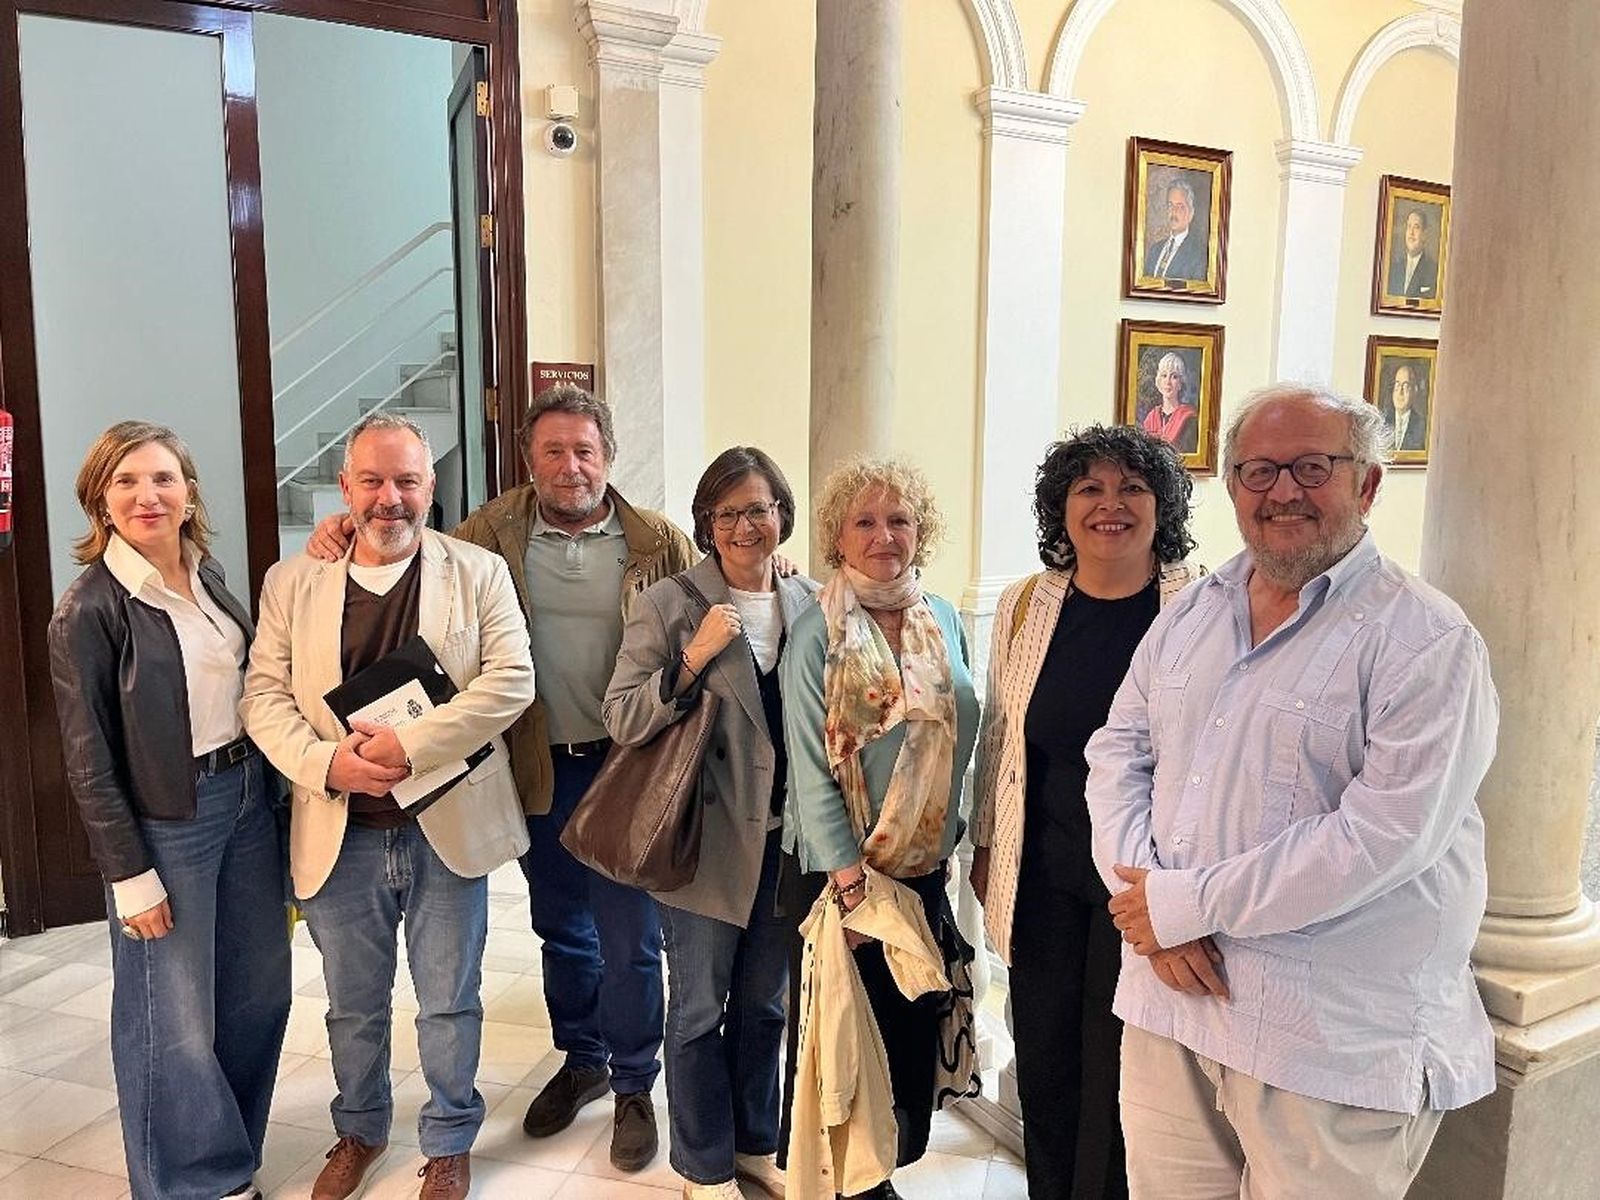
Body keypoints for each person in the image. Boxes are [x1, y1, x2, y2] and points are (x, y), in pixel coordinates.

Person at [1085, 385, 1499, 1197]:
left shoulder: (1426, 640)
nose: (1282, 492)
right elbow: (1118, 753)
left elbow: (1382, 835)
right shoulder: (1190, 612)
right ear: (1232, 486)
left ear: (1369, 484)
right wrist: (1152, 907)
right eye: (1258, 471)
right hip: (1172, 1005)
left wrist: (1183, 905)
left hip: (1326, 1042)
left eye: (1313, 468)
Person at [308, 382, 695, 1171]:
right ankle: (581, 1059)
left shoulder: (658, 541)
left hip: (629, 769)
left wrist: (774, 557)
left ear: (608, 455)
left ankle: (631, 1084)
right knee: (562, 929)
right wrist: (339, 529)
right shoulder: (491, 532)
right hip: (534, 769)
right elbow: (410, 546)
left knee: (631, 941)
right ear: (528, 459)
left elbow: (710, 602)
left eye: (584, 450)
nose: (570, 466)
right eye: (552, 450)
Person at [242, 412, 535, 1200]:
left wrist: (413, 748)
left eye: (407, 480)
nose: (389, 497)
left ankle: (448, 1139)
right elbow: (263, 697)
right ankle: (361, 1129)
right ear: (344, 489)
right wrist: (326, 762)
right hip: (340, 832)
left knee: (448, 1001)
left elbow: (511, 681)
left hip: (447, 825)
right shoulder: (291, 581)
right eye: (371, 480)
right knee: (352, 1006)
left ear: (431, 486)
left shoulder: (478, 572)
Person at [47, 420, 290, 1200]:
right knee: (172, 1018)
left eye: (162, 479)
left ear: (189, 493)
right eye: (125, 481)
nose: (146, 495)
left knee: (258, 993)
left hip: (248, 798)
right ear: (100, 501)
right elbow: (88, 756)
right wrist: (129, 873)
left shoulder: (210, 574)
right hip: (168, 821)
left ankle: (230, 1153)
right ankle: (190, 1182)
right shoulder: (90, 607)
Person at [969, 426, 1204, 1200]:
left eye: (1131, 489)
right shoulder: (1028, 606)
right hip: (1040, 874)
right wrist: (986, 845)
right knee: (1044, 1057)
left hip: (1140, 885)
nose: (1110, 506)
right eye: (1089, 490)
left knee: (1120, 1068)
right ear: (1061, 511)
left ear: (1160, 505)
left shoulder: (1196, 604)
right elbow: (1001, 735)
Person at [604, 447, 819, 1200]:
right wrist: (691, 660)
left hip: (787, 847)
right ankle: (702, 1165)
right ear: (706, 523)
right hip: (702, 846)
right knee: (698, 1010)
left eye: (759, 509)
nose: (745, 526)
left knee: (766, 1004)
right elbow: (623, 716)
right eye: (727, 513)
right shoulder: (669, 603)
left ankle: (756, 1142)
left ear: (782, 516)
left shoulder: (811, 601)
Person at [777, 458, 981, 1199]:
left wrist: (954, 837)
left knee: (911, 1031)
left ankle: (886, 1169)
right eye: (864, 521)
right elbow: (809, 767)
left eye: (899, 519)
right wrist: (851, 885)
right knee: (848, 1045)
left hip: (923, 869)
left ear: (921, 531)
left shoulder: (944, 618)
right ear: (837, 537)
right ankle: (855, 1184)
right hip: (849, 879)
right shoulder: (816, 634)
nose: (883, 535)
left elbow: (963, 736)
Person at [1142, 179, 1207, 282]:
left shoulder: (1199, 255)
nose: (1173, 212)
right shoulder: (1155, 250)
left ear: (1191, 213)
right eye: (1170, 205)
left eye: (1180, 206)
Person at [1139, 352, 1200, 454]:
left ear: (1181, 383)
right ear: (1158, 382)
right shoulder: (1151, 418)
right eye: (1164, 375)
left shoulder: (1189, 419)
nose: (1168, 382)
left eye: (1174, 377)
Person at [1387, 208, 1439, 300]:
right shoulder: (1393, 268)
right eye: (1409, 226)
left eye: (1416, 227)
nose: (1411, 233)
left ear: (1424, 235)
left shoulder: (1434, 271)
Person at [1377, 363, 1429, 452]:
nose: (1400, 392)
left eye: (1406, 386)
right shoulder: (1382, 421)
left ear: (1414, 391)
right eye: (1397, 385)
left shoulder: (1422, 425)